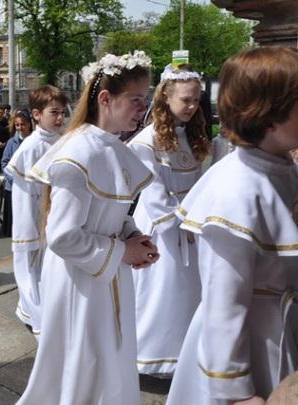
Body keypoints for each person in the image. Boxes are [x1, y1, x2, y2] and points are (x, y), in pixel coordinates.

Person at [17, 51, 159, 404]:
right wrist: (123, 250)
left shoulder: (112, 146)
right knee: (86, 362)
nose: (143, 108)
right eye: (136, 100)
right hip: (80, 279)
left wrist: (131, 234)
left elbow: (111, 209)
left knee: (111, 355)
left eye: (146, 99)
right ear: (105, 99)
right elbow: (63, 235)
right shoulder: (79, 152)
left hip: (106, 272)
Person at [166, 46, 298, 405]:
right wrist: (238, 392)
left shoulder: (283, 165)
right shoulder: (235, 190)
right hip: (252, 347)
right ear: (269, 116)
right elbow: (224, 304)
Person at [128, 64, 210, 377]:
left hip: (189, 228)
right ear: (166, 98)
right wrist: (182, 224)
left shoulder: (193, 135)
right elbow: (155, 195)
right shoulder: (146, 142)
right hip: (162, 230)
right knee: (161, 294)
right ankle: (149, 357)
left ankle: (182, 358)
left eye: (196, 100)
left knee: (189, 294)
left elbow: (199, 184)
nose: (192, 106)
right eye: (186, 100)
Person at [4, 87, 69, 336]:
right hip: (34, 219)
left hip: (54, 216)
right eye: (54, 113)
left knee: (48, 272)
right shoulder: (30, 147)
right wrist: (28, 227)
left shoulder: (61, 139)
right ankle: (37, 317)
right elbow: (24, 194)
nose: (60, 119)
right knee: (31, 271)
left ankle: (37, 309)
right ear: (37, 114)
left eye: (62, 112)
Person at [1, 108, 33, 238]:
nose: (20, 127)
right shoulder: (11, 143)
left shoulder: (34, 141)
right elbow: (4, 163)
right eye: (17, 125)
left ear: (29, 124)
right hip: (13, 185)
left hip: (30, 185)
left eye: (23, 124)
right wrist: (13, 178)